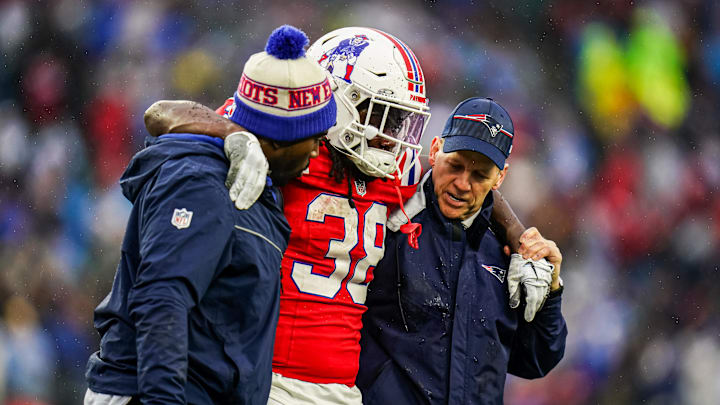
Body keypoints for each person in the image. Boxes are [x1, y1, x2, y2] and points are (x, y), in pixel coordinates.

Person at [143, 28, 531, 404]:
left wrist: (517, 234)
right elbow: (162, 114)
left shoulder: (394, 169)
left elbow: (457, 181)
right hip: (268, 376)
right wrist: (233, 133)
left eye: (398, 120)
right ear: (339, 98)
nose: (389, 134)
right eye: (380, 114)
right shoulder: (288, 145)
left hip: (343, 388)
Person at [84, 25, 336, 405]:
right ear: (276, 139)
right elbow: (162, 298)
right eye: (314, 137)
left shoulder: (252, 180)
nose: (318, 151)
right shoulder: (202, 183)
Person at [356, 97, 568, 404]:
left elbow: (536, 360)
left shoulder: (511, 254)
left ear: (500, 178)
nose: (462, 184)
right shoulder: (389, 222)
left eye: (480, 175)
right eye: (454, 165)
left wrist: (551, 291)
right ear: (434, 150)